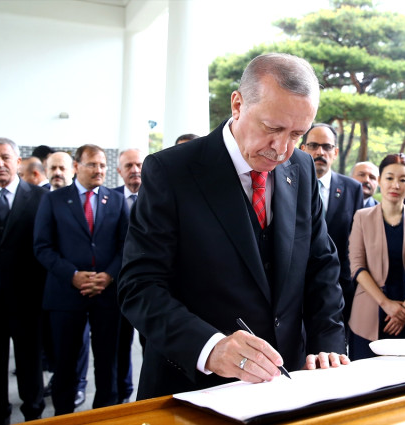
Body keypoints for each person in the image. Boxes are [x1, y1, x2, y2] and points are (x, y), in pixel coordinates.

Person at [118, 53, 349, 398]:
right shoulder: (172, 171)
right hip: (194, 388)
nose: (283, 149)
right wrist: (210, 348)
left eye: (298, 134)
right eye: (272, 128)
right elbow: (140, 286)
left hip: (289, 383)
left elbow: (321, 264)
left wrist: (327, 342)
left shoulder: (301, 168)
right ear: (238, 104)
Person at [34, 144, 128, 415]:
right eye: (92, 165)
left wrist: (109, 275)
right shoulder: (53, 200)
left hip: (107, 295)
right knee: (65, 363)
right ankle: (63, 416)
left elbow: (126, 244)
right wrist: (72, 275)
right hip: (65, 294)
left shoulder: (117, 199)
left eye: (102, 165)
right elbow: (42, 246)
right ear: (76, 167)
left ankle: (106, 415)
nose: (99, 170)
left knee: (107, 362)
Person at [0, 138, 47, 424]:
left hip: (28, 298)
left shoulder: (40, 198)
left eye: (5, 158)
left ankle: (34, 414)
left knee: (29, 362)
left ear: (18, 162)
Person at [347, 153, 405, 360]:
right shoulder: (362, 217)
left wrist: (404, 310)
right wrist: (386, 305)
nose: (395, 185)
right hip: (369, 313)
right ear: (380, 182)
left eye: (402, 179)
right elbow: (357, 266)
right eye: (389, 178)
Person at [300, 123, 364, 328]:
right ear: (302, 149)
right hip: (296, 284)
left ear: (335, 152)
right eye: (313, 145)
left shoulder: (352, 188)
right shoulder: (288, 185)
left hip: (339, 285)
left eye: (327, 147)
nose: (320, 152)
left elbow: (357, 241)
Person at [113, 148, 145, 403]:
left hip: (151, 288)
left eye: (139, 164)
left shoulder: (160, 195)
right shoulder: (110, 199)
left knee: (152, 346)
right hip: (117, 287)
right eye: (129, 166)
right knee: (119, 347)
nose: (135, 170)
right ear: (119, 171)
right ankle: (122, 394)